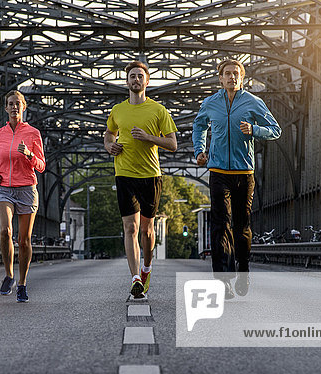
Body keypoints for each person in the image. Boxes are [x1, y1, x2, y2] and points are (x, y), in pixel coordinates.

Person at [192, 59, 281, 299]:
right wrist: (199, 150)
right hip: (218, 172)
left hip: (244, 174)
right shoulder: (210, 103)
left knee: (241, 227)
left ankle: (243, 271)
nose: (232, 77)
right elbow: (199, 126)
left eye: (236, 74)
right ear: (220, 78)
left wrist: (254, 130)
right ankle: (223, 281)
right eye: (227, 74)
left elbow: (275, 129)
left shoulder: (253, 102)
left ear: (242, 78)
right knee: (221, 226)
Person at [104, 61, 178, 299]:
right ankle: (135, 277)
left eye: (140, 76)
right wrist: (109, 146)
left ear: (147, 81)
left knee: (146, 230)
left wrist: (149, 137)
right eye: (132, 76)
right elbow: (109, 133)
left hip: (151, 176)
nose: (136, 80)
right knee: (131, 228)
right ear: (127, 82)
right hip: (124, 174)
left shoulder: (158, 111)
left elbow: (173, 144)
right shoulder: (117, 110)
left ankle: (146, 268)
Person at [0, 90, 45, 301]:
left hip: (26, 189)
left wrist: (30, 154)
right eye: (10, 104)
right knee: (5, 231)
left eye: (18, 104)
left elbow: (41, 166)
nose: (14, 107)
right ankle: (8, 275)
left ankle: (22, 283)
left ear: (24, 107)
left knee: (24, 241)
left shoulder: (33, 134)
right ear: (6, 108)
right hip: (3, 188)